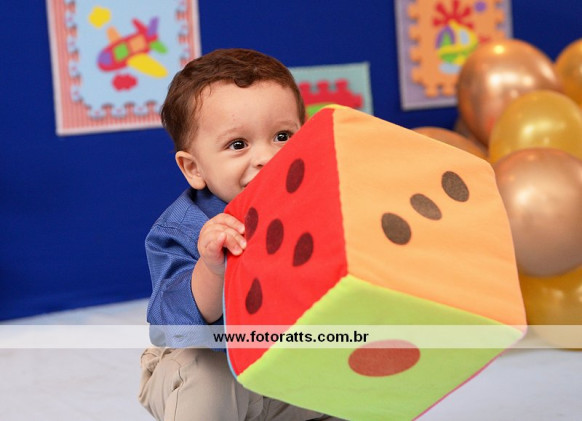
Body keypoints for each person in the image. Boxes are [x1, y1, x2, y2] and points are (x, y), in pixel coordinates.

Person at [138, 48, 341, 421]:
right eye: (238, 144)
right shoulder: (182, 227)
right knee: (206, 373)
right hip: (205, 366)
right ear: (194, 168)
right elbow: (173, 324)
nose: (267, 157)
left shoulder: (321, 206)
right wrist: (212, 268)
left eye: (282, 136)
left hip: (285, 371)